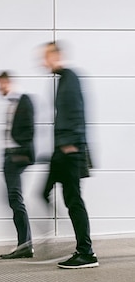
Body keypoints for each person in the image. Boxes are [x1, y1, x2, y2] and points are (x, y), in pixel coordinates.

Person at [42, 41, 97, 269]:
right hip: (63, 151)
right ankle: (75, 247)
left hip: (70, 151)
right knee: (51, 194)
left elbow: (76, 112)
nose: (44, 62)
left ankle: (86, 252)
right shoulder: (64, 79)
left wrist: (70, 144)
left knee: (73, 200)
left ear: (56, 56)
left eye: (46, 57)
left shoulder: (70, 78)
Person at [0, 71, 36, 259]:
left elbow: (29, 129)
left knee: (15, 199)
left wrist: (19, 153)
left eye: (0, 85)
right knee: (13, 199)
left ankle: (25, 245)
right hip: (9, 156)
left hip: (16, 156)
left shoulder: (23, 100)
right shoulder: (10, 103)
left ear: (7, 82)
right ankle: (24, 243)